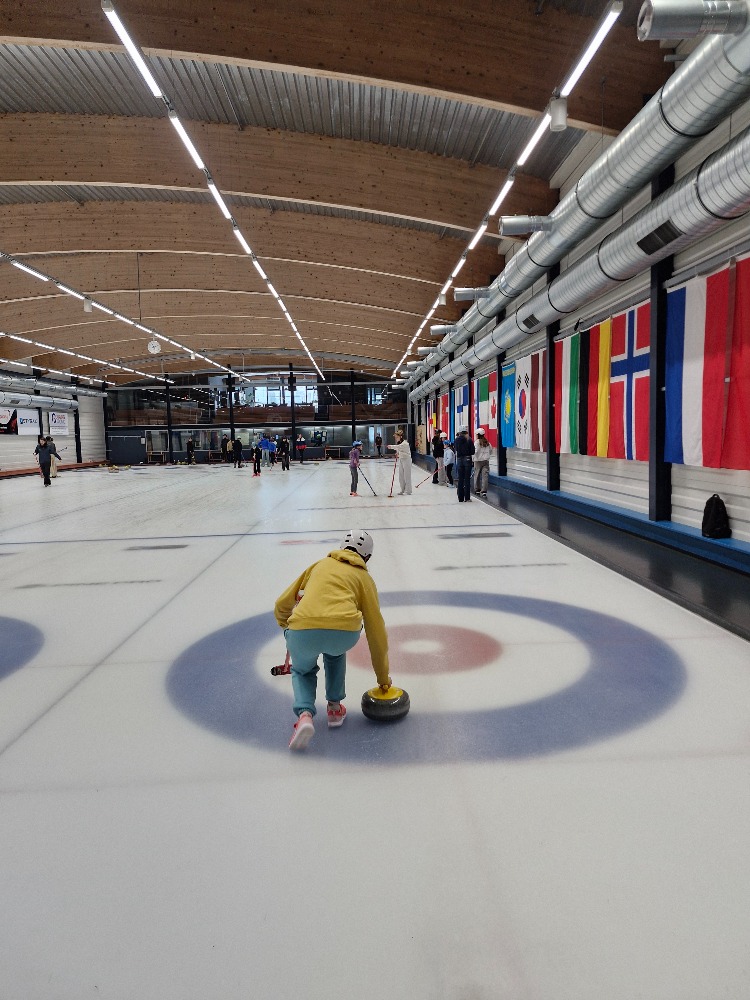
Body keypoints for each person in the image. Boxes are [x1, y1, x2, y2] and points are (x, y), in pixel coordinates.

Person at [274, 528, 391, 751]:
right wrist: (383, 678)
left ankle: (305, 715)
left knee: (303, 670)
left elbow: (282, 604)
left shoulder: (318, 566)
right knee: (335, 653)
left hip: (302, 631)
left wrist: (286, 626)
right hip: (344, 633)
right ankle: (335, 709)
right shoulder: (364, 578)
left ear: (341, 548)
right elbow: (376, 630)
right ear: (367, 557)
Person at [387, 428, 412, 495]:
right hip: (401, 459)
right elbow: (400, 449)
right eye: (395, 437)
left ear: (400, 437)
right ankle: (402, 489)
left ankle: (408, 490)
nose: (396, 438)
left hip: (406, 460)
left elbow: (399, 447)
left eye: (397, 437)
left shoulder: (405, 443)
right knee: (401, 476)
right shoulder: (399, 443)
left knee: (407, 475)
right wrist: (397, 453)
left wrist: (391, 446)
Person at [454, 427, 475, 503]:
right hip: (467, 459)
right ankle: (467, 498)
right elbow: (473, 451)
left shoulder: (456, 440)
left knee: (460, 479)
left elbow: (456, 449)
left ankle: (460, 498)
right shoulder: (469, 439)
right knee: (467, 479)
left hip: (459, 459)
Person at [473, 427, 493, 497]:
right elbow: (491, 451)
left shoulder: (477, 442)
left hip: (478, 461)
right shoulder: (487, 442)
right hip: (486, 461)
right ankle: (484, 491)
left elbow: (475, 451)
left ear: (478, 434)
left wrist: (473, 458)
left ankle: (477, 489)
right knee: (485, 476)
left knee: (477, 475)